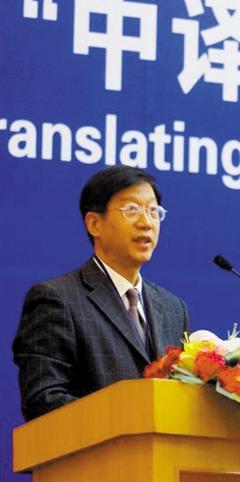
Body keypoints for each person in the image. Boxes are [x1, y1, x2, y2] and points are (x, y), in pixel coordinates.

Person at [13, 166, 189, 421]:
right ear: (94, 223)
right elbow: (43, 400)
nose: (146, 223)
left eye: (153, 211)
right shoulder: (57, 299)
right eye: (132, 210)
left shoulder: (173, 309)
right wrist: (127, 420)